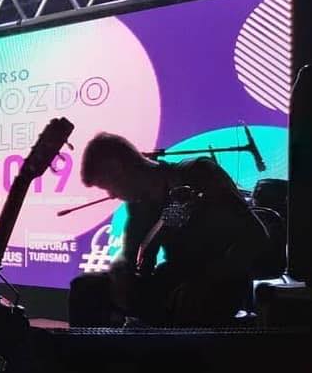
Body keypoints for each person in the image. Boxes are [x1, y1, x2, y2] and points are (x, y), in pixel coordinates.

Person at [68, 132, 268, 327]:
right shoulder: (140, 205)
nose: (111, 195)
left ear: (118, 168)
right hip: (175, 279)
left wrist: (208, 279)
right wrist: (120, 272)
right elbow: (131, 256)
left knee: (187, 303)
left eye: (107, 186)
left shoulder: (198, 173)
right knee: (87, 289)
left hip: (222, 284)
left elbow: (256, 235)